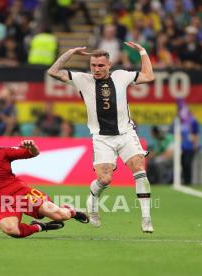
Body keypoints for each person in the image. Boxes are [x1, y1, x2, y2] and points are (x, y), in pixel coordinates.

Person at [47, 42, 155, 233]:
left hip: (126, 134)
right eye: (93, 66)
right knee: (105, 180)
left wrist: (143, 52)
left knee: (139, 168)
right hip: (102, 138)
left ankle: (146, 218)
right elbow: (53, 71)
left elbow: (149, 76)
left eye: (100, 65)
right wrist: (70, 52)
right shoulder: (82, 80)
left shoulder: (121, 76)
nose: (96, 69)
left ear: (109, 64)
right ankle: (93, 199)